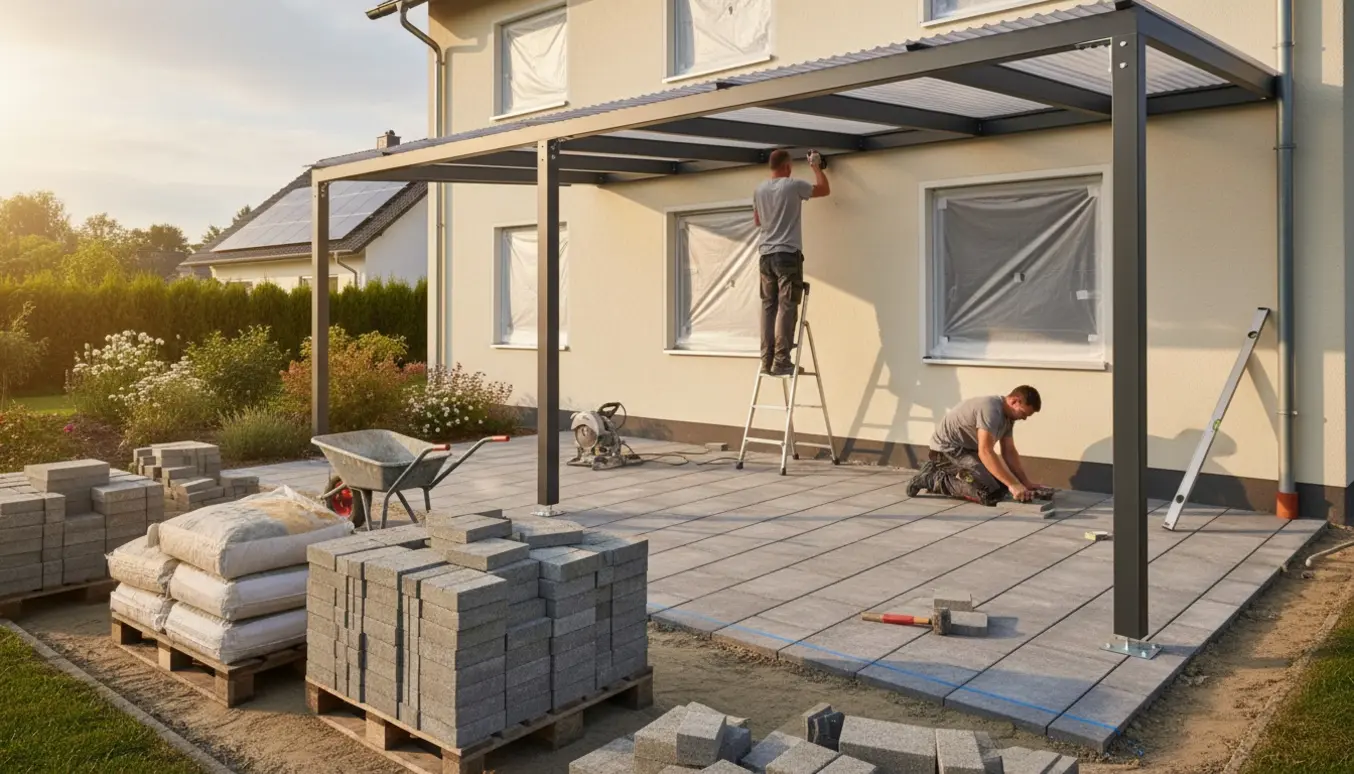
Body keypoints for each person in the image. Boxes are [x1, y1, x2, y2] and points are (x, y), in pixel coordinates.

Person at [752, 148, 830, 376]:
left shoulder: (759, 190)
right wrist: (816, 167)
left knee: (769, 307)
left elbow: (758, 221)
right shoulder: (793, 185)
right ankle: (782, 361)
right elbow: (824, 189)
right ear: (787, 166)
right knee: (786, 306)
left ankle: (766, 361)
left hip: (765, 256)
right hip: (786, 255)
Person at [906, 386, 1046, 506]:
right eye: (1023, 413)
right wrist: (1013, 485)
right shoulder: (991, 410)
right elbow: (985, 451)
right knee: (988, 493)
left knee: (1003, 487)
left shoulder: (1008, 417)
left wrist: (1024, 483)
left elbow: (1009, 451)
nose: (1024, 418)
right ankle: (932, 479)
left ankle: (941, 471)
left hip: (966, 450)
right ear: (1014, 401)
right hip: (946, 450)